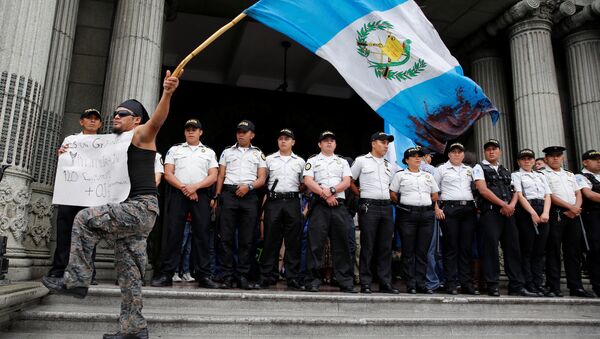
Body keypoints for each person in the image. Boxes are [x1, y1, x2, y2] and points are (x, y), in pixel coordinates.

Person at [42, 70, 180, 339]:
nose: (116, 116)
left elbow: (158, 121)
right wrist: (70, 154)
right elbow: (90, 168)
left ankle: (77, 279)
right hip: (129, 215)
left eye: (123, 113)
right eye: (115, 113)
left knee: (84, 219)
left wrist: (167, 93)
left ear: (137, 119)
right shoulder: (109, 143)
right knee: (130, 275)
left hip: (140, 208)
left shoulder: (141, 136)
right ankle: (135, 328)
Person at [151, 119, 221, 289]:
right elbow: (168, 174)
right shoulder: (175, 149)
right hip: (178, 193)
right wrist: (185, 188)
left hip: (201, 194)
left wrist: (195, 187)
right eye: (188, 129)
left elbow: (213, 175)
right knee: (173, 234)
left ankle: (204, 275)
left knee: (202, 235)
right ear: (184, 132)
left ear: (200, 132)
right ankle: (166, 274)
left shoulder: (208, 152)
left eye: (194, 129)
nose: (191, 132)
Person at [472, 139, 536, 297]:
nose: (491, 152)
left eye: (494, 149)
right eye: (488, 149)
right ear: (485, 152)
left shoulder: (506, 170)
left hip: (508, 214)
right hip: (491, 213)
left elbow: (515, 190)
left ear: (500, 151)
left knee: (513, 249)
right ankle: (492, 284)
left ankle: (516, 285)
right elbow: (483, 190)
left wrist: (511, 205)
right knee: (491, 249)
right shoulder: (479, 168)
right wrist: (503, 205)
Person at [46, 108, 102, 284]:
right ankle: (59, 268)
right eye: (88, 118)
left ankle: (87, 272)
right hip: (70, 192)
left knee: (89, 234)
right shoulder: (71, 140)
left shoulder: (104, 143)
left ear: (100, 123)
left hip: (91, 194)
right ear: (81, 121)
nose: (92, 121)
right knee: (65, 232)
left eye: (95, 119)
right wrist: (61, 155)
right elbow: (65, 161)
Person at [213, 120, 266, 289]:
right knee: (226, 238)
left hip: (249, 195)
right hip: (229, 194)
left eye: (245, 131)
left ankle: (242, 275)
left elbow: (262, 178)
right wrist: (217, 196)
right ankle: (227, 275)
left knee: (247, 239)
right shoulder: (227, 152)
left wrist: (248, 187)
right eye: (239, 131)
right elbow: (221, 175)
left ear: (252, 135)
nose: (241, 134)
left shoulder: (258, 154)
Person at [303, 131, 356, 293]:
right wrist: (324, 195)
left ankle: (345, 281)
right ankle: (313, 280)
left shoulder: (342, 162)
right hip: (319, 205)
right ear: (320, 144)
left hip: (338, 205)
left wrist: (331, 190)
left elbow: (347, 182)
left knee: (342, 244)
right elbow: (308, 181)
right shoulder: (312, 161)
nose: (329, 143)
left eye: (332, 141)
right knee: (315, 244)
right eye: (325, 141)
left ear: (335, 144)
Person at [350, 132, 399, 294]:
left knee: (385, 246)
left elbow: (393, 186)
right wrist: (359, 194)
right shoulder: (361, 161)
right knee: (368, 245)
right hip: (369, 206)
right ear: (373, 143)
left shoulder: (388, 165)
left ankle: (385, 282)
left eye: (387, 143)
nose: (386, 145)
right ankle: (365, 282)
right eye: (383, 142)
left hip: (386, 207)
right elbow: (350, 180)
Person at [542, 146, 594, 298]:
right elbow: (549, 195)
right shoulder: (543, 174)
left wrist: (576, 207)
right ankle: (554, 286)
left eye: (558, 155)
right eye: (552, 156)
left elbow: (578, 193)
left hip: (573, 215)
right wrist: (570, 207)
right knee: (553, 251)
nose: (555, 158)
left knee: (573, 252)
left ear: (563, 157)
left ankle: (576, 286)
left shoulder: (570, 174)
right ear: (546, 159)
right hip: (556, 213)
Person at [259, 128, 306, 290]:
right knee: (271, 240)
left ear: (293, 142)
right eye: (280, 138)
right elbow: (263, 181)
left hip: (292, 201)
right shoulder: (269, 159)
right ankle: (267, 276)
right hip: (274, 201)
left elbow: (303, 183)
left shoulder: (300, 161)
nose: (283, 141)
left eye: (287, 138)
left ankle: (292, 277)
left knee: (293, 241)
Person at [390, 147, 439, 294]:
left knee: (422, 251)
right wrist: (405, 204)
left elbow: (435, 195)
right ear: (406, 160)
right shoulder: (400, 175)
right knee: (408, 250)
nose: (418, 158)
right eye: (414, 156)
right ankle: (411, 283)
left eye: (419, 156)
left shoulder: (428, 176)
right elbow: (393, 194)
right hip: (407, 215)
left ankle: (421, 283)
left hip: (425, 215)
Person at [434, 142, 479, 295]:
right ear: (448, 154)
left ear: (463, 154)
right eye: (453, 152)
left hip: (468, 209)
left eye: (460, 152)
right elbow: (434, 190)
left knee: (466, 248)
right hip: (449, 209)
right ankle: (451, 283)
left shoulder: (470, 170)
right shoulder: (441, 169)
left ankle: (466, 283)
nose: (457, 154)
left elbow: (478, 188)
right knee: (451, 247)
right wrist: (436, 208)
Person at [511, 149, 552, 296]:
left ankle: (538, 282)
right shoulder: (516, 175)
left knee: (539, 251)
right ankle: (529, 283)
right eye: (523, 159)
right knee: (527, 250)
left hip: (543, 210)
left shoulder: (541, 176)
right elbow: (519, 195)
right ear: (519, 162)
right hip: (527, 210)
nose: (526, 161)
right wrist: (533, 213)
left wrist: (546, 212)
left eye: (529, 158)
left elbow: (548, 195)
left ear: (534, 161)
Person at [576, 150, 600, 297]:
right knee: (596, 250)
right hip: (593, 217)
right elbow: (589, 194)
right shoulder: (580, 176)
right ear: (585, 162)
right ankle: (597, 284)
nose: (598, 161)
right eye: (594, 159)